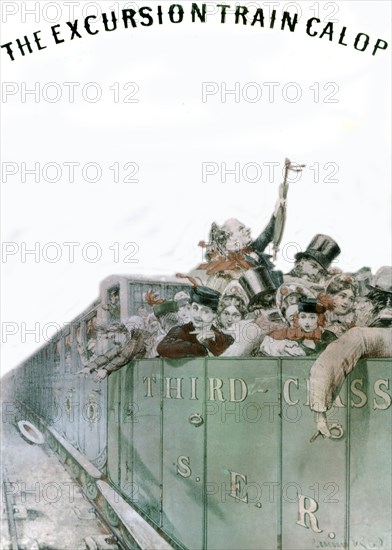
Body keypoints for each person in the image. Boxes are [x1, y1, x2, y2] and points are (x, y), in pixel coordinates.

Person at [309, 266, 392, 438]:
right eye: (381, 299)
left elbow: (330, 361)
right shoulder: (362, 320)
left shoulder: (363, 333)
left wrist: (320, 414)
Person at [157, 286, 234, 359]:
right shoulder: (180, 330)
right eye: (195, 308)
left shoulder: (224, 338)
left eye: (205, 311)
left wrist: (214, 339)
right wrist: (201, 349)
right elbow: (162, 348)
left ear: (215, 315)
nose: (197, 315)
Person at [260, 296, 336, 357]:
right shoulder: (290, 337)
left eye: (312, 317)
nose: (307, 322)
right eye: (303, 317)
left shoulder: (328, 336)